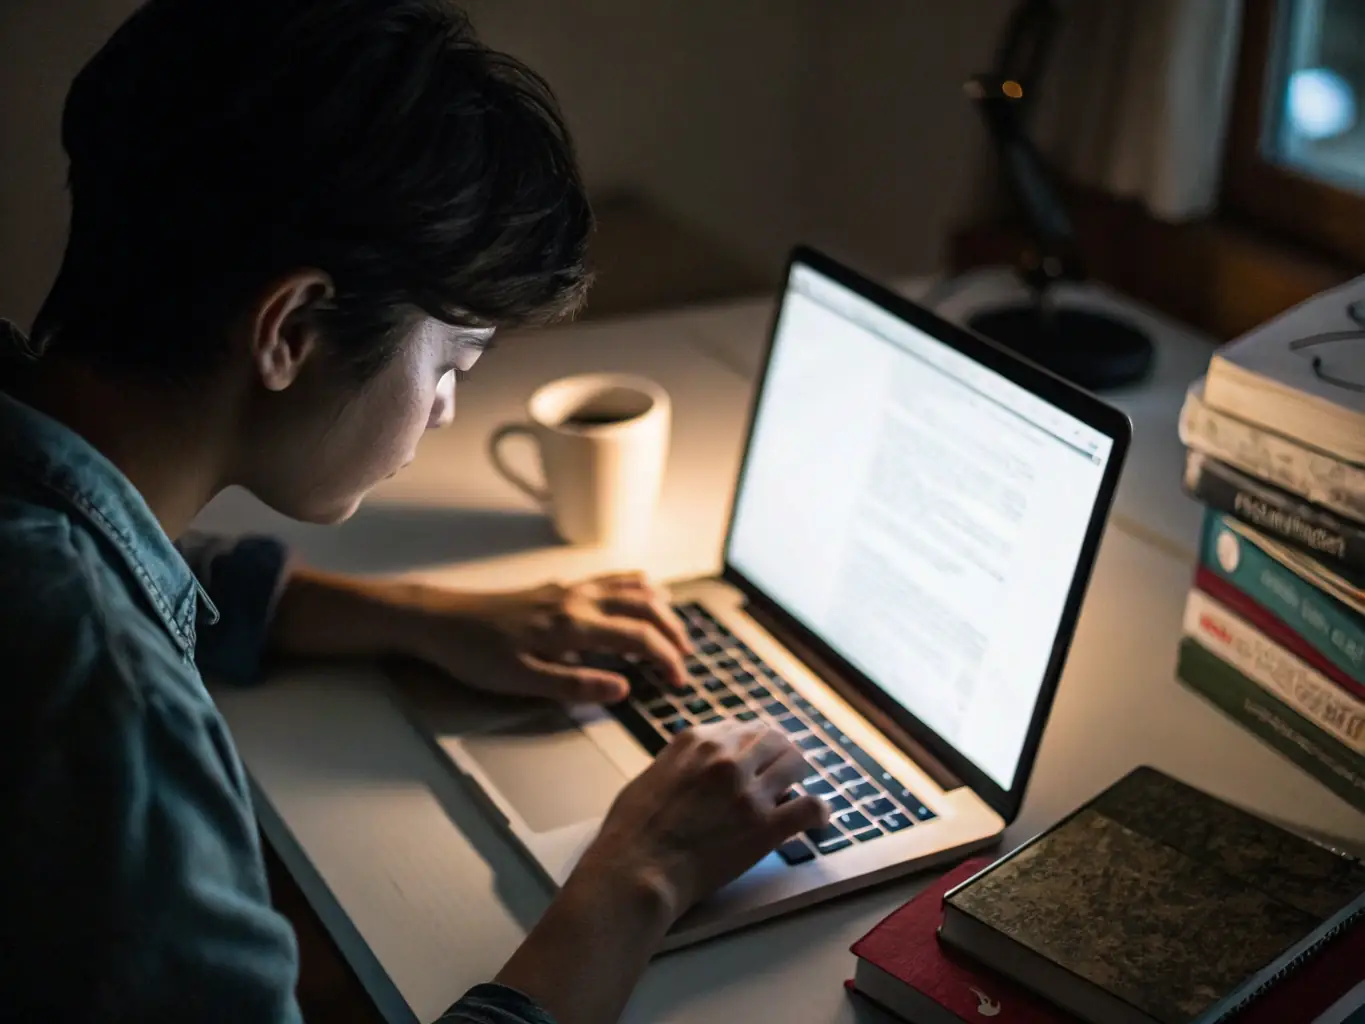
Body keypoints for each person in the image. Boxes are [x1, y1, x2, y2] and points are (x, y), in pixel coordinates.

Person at [0, 2, 831, 1022]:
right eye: (453, 360)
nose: (445, 409)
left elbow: (100, 546)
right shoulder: (107, 697)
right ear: (293, 329)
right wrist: (641, 876)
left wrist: (410, 613)